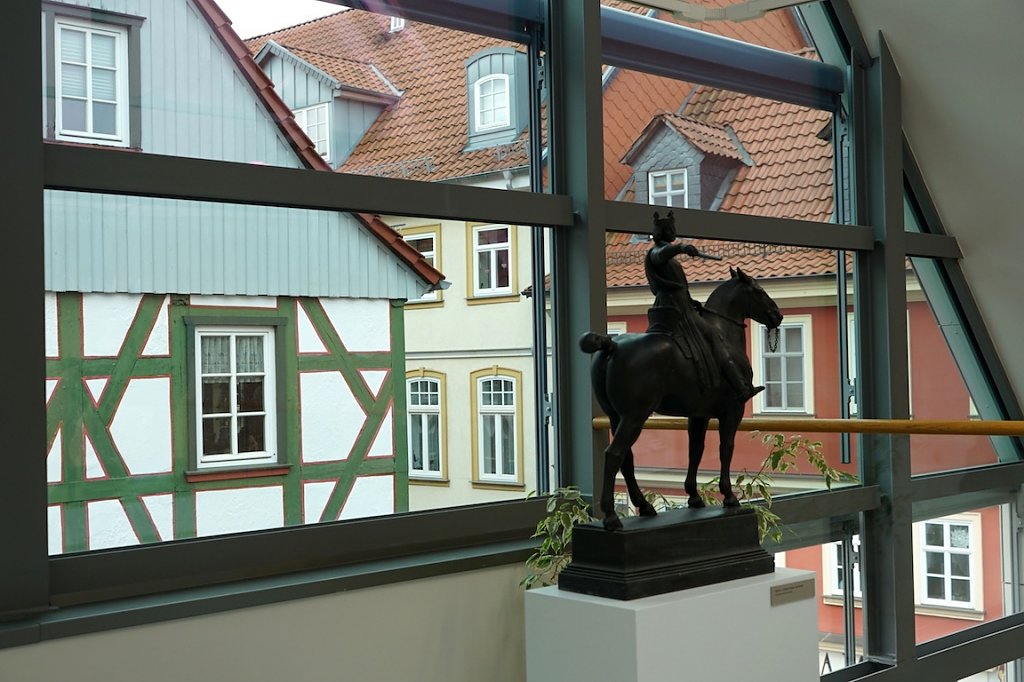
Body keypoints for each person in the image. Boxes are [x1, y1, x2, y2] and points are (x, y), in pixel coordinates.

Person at [644, 210, 764, 400]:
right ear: (663, 232)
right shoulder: (656, 252)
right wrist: (682, 247)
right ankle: (740, 387)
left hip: (679, 305)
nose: (674, 233)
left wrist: (692, 302)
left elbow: (678, 287)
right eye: (671, 230)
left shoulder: (667, 257)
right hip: (676, 309)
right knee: (713, 336)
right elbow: (660, 255)